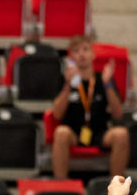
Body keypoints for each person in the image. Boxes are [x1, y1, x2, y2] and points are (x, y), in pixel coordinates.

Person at [50, 35, 130, 180]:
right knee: (61, 133)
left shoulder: (103, 79)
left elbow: (118, 114)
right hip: (73, 132)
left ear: (92, 54)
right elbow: (56, 114)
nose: (81, 54)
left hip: (99, 131)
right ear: (71, 56)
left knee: (121, 134)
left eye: (85, 49)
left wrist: (108, 85)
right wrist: (68, 86)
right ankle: (61, 184)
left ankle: (117, 188)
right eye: (76, 51)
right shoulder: (65, 79)